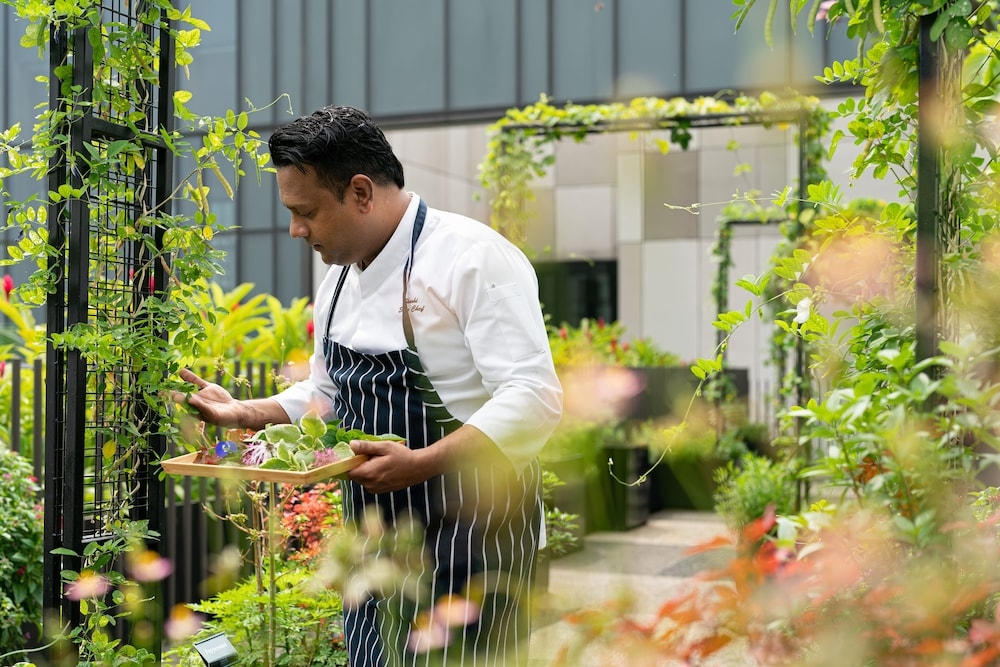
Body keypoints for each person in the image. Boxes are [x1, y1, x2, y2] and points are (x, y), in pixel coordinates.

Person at [177, 105, 563, 666]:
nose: (295, 230)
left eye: (306, 212)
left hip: (477, 533)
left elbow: (533, 397)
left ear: (360, 192)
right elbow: (328, 394)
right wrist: (245, 412)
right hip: (375, 536)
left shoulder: (473, 258)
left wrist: (423, 461)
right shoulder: (336, 277)